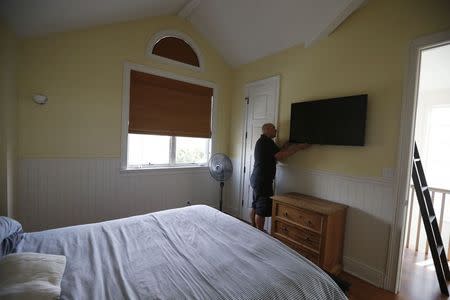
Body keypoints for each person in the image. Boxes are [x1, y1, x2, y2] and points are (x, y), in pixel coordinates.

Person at [249, 123, 309, 230]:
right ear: (267, 130)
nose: (276, 130)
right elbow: (281, 156)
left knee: (255, 205)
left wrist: (286, 146)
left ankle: (253, 229)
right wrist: (298, 148)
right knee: (261, 209)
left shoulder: (264, 141)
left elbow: (277, 151)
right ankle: (259, 232)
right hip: (263, 180)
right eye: (273, 129)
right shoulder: (266, 142)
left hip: (257, 179)